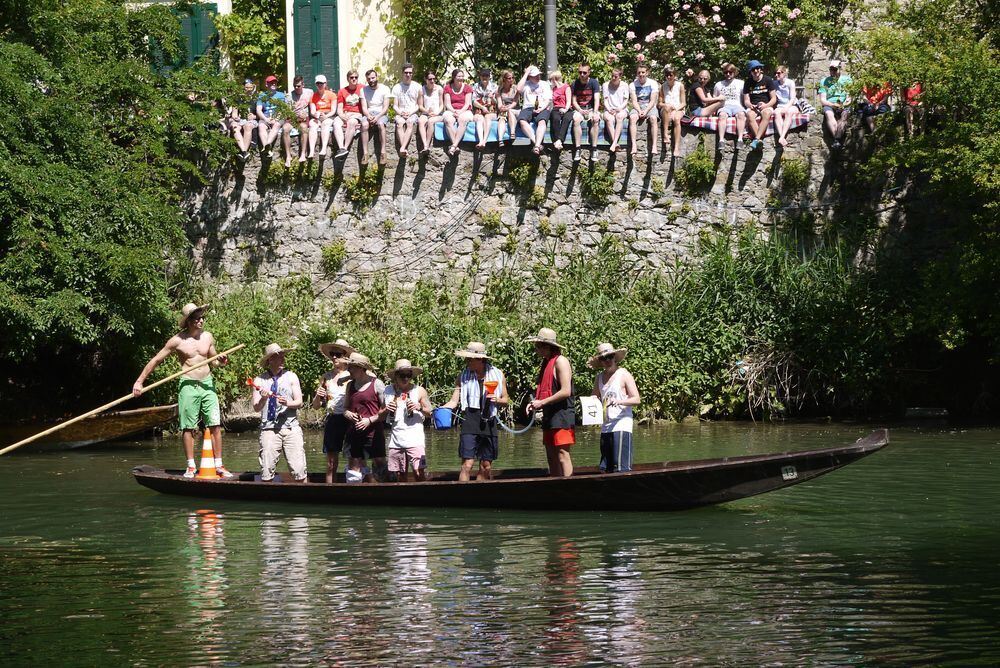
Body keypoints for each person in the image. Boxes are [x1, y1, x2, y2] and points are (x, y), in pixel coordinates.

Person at [132, 303, 232, 479]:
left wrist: (221, 361)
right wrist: (139, 382)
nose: (201, 320)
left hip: (207, 384)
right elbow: (156, 360)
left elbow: (214, 361)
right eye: (197, 318)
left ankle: (219, 465)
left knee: (215, 424)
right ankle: (191, 466)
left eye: (202, 317)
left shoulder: (207, 336)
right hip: (188, 385)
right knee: (188, 427)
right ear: (188, 321)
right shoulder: (177, 341)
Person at [441, 342, 508, 482]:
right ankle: (463, 496)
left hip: (489, 420)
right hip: (471, 419)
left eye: (470, 359)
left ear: (481, 360)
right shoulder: (462, 376)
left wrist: (496, 399)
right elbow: (454, 401)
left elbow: (506, 400)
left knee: (486, 466)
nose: (467, 361)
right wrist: (442, 409)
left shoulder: (497, 374)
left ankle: (480, 495)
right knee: (467, 464)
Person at [251, 344, 307, 483]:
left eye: (283, 356)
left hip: (290, 428)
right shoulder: (259, 380)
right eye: (278, 357)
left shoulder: (291, 377)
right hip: (269, 428)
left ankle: (304, 498)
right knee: (266, 470)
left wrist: (287, 403)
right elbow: (256, 408)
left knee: (299, 469)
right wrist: (264, 397)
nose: (282, 360)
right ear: (270, 360)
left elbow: (299, 402)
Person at [525, 328, 575, 477]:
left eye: (538, 346)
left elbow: (566, 391)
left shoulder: (561, 361)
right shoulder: (546, 363)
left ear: (547, 346)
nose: (536, 349)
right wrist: (535, 402)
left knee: (562, 454)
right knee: (551, 456)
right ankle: (555, 486)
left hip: (562, 414)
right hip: (549, 414)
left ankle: (569, 487)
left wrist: (542, 402)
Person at [588, 343, 641, 473]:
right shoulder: (599, 378)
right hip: (606, 426)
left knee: (621, 467)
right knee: (605, 467)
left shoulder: (623, 374)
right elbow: (594, 398)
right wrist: (592, 402)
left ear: (615, 357)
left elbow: (636, 399)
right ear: (600, 361)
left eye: (610, 357)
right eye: (603, 358)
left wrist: (619, 401)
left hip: (622, 424)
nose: (607, 361)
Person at [382, 359, 433, 482]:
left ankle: (423, 497)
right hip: (396, 440)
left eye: (408, 375)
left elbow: (430, 413)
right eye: (402, 375)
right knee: (400, 474)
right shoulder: (388, 391)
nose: (406, 378)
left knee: (418, 471)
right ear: (395, 376)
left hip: (415, 439)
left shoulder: (419, 390)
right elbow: (381, 416)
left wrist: (419, 407)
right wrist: (386, 410)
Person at [312, 339, 355, 483]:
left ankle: (355, 487)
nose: (334, 357)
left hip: (349, 418)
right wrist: (318, 395)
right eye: (332, 354)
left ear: (345, 356)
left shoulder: (353, 375)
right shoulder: (326, 377)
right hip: (333, 418)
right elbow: (316, 406)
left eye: (338, 354)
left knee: (353, 459)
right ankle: (330, 489)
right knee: (331, 463)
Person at [341, 352, 386, 482]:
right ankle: (356, 494)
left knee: (380, 465)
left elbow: (385, 410)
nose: (349, 370)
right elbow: (344, 408)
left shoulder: (377, 384)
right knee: (354, 467)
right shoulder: (350, 385)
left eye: (352, 367)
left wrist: (369, 420)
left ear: (361, 368)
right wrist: (347, 413)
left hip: (374, 433)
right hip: (354, 432)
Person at [741, 59, 778, 150]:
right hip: (753, 106)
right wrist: (750, 105)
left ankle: (757, 139)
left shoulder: (768, 80)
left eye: (757, 68)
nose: (756, 71)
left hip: (766, 105)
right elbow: (746, 100)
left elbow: (774, 98)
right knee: (749, 115)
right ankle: (760, 141)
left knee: (766, 113)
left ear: (760, 69)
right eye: (753, 69)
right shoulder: (748, 82)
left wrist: (766, 105)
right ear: (750, 71)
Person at [516, 65, 552, 156]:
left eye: (538, 75)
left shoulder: (544, 84)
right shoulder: (526, 84)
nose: (538, 77)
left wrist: (541, 108)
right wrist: (526, 73)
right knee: (522, 121)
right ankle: (536, 143)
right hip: (528, 107)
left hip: (542, 106)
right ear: (530, 77)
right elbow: (518, 89)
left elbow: (548, 99)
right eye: (535, 76)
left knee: (542, 121)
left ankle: (536, 146)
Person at [334, 70, 369, 161]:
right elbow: (339, 109)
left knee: (352, 122)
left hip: (357, 114)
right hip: (345, 113)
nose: (354, 79)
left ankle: (345, 148)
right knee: (336, 123)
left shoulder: (362, 88)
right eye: (352, 77)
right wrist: (342, 116)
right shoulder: (342, 91)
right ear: (348, 79)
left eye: (356, 77)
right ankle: (341, 148)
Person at [817, 59, 852, 150]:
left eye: (835, 69)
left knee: (844, 115)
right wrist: (832, 105)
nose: (832, 71)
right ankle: (837, 140)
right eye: (831, 69)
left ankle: (836, 140)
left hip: (844, 104)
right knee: (828, 113)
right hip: (830, 103)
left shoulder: (847, 80)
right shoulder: (824, 81)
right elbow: (823, 100)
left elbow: (849, 97)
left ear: (840, 69)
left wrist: (844, 104)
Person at [571, 63, 602, 162]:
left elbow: (597, 99)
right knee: (576, 120)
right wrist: (580, 110)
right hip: (579, 108)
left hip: (591, 108)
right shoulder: (575, 83)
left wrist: (596, 112)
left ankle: (594, 148)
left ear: (589, 72)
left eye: (584, 72)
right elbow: (574, 101)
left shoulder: (594, 83)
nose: (582, 74)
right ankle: (578, 148)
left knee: (595, 120)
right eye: (580, 72)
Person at [628, 64, 660, 156]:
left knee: (653, 118)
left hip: (649, 106)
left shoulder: (653, 83)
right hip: (638, 106)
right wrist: (639, 111)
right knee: (633, 118)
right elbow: (634, 101)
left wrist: (645, 111)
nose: (641, 74)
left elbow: (653, 100)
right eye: (639, 73)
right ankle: (634, 145)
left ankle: (654, 146)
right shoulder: (632, 85)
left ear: (647, 73)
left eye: (643, 72)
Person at [391, 63, 423, 157]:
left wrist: (410, 113)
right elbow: (395, 105)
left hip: (412, 113)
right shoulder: (397, 87)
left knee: (409, 123)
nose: (408, 75)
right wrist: (401, 113)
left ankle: (402, 148)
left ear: (412, 74)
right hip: (400, 113)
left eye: (410, 73)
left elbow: (419, 105)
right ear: (402, 73)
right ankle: (403, 148)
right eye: (406, 72)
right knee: (399, 124)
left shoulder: (418, 87)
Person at [257, 75, 290, 161]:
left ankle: (267, 144)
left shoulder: (281, 95)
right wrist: (265, 119)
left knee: (276, 125)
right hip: (266, 117)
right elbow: (259, 110)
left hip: (278, 117)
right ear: (267, 84)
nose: (273, 84)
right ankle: (267, 148)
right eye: (271, 82)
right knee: (261, 126)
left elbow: (284, 109)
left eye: (275, 82)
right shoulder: (262, 96)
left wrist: (276, 118)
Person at [713, 63, 747, 146]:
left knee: (741, 115)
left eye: (730, 72)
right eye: (726, 72)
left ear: (734, 72)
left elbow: (745, 97)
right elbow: (714, 98)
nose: (728, 74)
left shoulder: (741, 83)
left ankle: (740, 139)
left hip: (737, 105)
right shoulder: (718, 84)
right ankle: (721, 140)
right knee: (722, 115)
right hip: (724, 106)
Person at [442, 69, 474, 157]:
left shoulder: (467, 88)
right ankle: (455, 145)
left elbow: (467, 104)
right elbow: (447, 104)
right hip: (451, 110)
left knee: (463, 120)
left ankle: (454, 146)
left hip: (464, 110)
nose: (461, 78)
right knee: (448, 120)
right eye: (458, 76)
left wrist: (460, 112)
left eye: (462, 76)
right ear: (454, 77)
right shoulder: (447, 88)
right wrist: (454, 111)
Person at [363, 69, 391, 165]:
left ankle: (383, 153)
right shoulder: (363, 90)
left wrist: (378, 116)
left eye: (373, 78)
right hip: (369, 113)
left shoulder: (385, 89)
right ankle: (365, 154)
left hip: (381, 113)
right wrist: (368, 115)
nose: (371, 80)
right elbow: (364, 107)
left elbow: (386, 107)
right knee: (364, 125)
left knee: (380, 124)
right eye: (369, 79)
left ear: (377, 77)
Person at [601, 68, 629, 154]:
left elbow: (625, 100)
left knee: (619, 117)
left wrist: (619, 108)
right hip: (609, 108)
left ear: (620, 76)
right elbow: (605, 100)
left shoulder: (624, 85)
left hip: (621, 108)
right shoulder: (606, 85)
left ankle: (614, 143)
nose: (613, 78)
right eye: (612, 76)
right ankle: (615, 143)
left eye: (615, 76)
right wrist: (609, 109)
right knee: (609, 119)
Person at [289, 75, 315, 163]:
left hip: (304, 119)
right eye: (295, 86)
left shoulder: (309, 92)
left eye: (298, 86)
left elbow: (313, 104)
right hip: (293, 118)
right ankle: (288, 156)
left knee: (304, 128)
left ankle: (303, 154)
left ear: (303, 85)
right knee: (285, 129)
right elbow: (287, 111)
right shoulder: (290, 95)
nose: (296, 88)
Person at [310, 74, 337, 157]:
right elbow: (312, 110)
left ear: (325, 84)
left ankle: (324, 148)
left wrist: (325, 116)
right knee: (312, 125)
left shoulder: (331, 95)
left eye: (321, 83)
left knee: (326, 124)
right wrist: (315, 114)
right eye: (318, 83)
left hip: (328, 115)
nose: (320, 85)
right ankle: (311, 151)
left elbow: (333, 110)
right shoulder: (313, 96)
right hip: (318, 116)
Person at [418, 71, 444, 154]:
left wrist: (436, 113)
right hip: (426, 113)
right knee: (421, 121)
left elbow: (441, 105)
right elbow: (420, 106)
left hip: (437, 113)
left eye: (434, 79)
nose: (432, 81)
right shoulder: (422, 90)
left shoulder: (439, 89)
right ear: (425, 79)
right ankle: (425, 145)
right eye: (430, 79)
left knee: (431, 121)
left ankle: (427, 145)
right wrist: (427, 112)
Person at [472, 68, 498, 150]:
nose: (485, 77)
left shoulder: (495, 86)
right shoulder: (476, 86)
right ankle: (480, 141)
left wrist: (493, 98)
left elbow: (498, 102)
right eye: (483, 75)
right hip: (479, 109)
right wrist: (482, 107)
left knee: (488, 117)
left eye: (486, 75)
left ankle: (484, 141)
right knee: (479, 119)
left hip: (491, 110)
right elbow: (473, 101)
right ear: (480, 76)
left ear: (489, 77)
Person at [772, 65, 798, 147]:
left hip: (792, 105)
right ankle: (782, 137)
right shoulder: (774, 83)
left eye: (778, 73)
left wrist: (786, 107)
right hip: (780, 106)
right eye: (775, 73)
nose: (776, 75)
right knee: (776, 113)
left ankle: (782, 136)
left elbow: (792, 99)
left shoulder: (790, 83)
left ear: (784, 73)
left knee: (789, 112)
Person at [548, 70, 573, 151]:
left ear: (554, 79)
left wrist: (565, 109)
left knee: (567, 119)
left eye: (551, 80)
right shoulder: (553, 89)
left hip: (566, 107)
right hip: (556, 108)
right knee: (555, 119)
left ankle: (559, 140)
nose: (550, 82)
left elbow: (569, 100)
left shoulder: (566, 87)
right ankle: (558, 140)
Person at [495, 70, 520, 148]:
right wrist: (501, 107)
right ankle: (500, 139)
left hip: (514, 109)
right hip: (504, 109)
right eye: (509, 78)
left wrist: (507, 108)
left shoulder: (515, 88)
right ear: (504, 79)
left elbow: (515, 103)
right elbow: (499, 103)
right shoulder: (499, 89)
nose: (511, 79)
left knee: (510, 111)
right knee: (501, 119)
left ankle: (512, 133)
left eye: (512, 78)